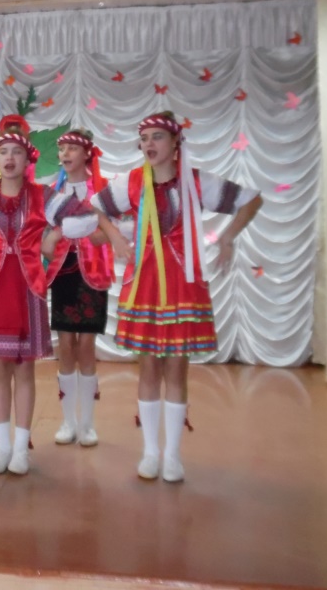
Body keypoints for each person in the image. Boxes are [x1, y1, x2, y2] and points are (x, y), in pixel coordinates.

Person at [92, 111, 262, 483]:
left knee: (176, 368)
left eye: (157, 137)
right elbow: (96, 206)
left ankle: (172, 455)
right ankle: (150, 452)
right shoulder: (133, 182)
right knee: (149, 367)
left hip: (183, 283)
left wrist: (228, 237)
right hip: (145, 282)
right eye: (144, 138)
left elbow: (250, 200)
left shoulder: (196, 183)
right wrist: (116, 237)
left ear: (175, 143)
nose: (149, 144)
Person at [0, 118, 99, 475]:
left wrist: (56, 235)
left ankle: (21, 449)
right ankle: (1, 447)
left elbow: (86, 216)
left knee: (24, 368)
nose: (9, 158)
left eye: (16, 152)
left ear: (27, 158)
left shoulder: (41, 196)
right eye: (3, 152)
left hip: (29, 288)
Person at [41, 128, 115, 448]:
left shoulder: (104, 189)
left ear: (87, 153)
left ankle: (87, 424)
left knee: (86, 345)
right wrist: (49, 240)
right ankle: (68, 421)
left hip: (93, 272)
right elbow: (42, 234)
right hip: (63, 272)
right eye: (62, 149)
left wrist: (99, 234)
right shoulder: (51, 192)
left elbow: (113, 230)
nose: (65, 154)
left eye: (72, 148)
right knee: (66, 344)